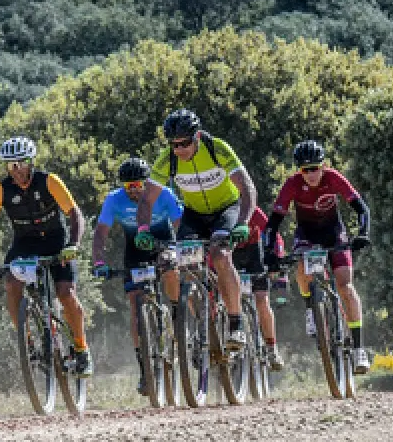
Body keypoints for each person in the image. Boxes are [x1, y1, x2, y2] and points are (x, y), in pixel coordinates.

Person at [135, 109, 259, 351]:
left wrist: (243, 222)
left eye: (185, 143)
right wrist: (142, 229)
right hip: (194, 214)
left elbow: (247, 188)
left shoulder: (217, 148)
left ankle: (236, 324)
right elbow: (147, 200)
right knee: (184, 265)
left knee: (221, 255)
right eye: (174, 144)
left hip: (226, 209)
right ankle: (203, 321)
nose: (180, 149)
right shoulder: (167, 159)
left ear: (198, 136)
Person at [0, 137, 91, 376]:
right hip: (25, 244)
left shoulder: (49, 181)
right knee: (11, 284)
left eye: (22, 163)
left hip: (56, 242)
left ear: (31, 162)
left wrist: (73, 244)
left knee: (66, 293)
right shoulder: (1, 189)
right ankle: (27, 342)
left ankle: (81, 349)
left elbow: (75, 214)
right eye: (11, 165)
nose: (17, 170)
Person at [263, 140, 372, 374]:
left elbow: (361, 208)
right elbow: (273, 223)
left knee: (345, 287)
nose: (311, 174)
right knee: (302, 267)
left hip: (334, 233)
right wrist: (269, 252)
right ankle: (311, 308)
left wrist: (363, 233)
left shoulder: (333, 178)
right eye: (306, 170)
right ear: (299, 170)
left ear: (323, 166)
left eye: (315, 168)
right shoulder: (292, 184)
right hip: (307, 235)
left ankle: (359, 349)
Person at [89, 157, 182, 394]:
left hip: (164, 243)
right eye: (128, 186)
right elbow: (101, 232)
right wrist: (99, 261)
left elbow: (180, 223)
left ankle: (176, 311)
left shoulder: (164, 194)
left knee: (170, 269)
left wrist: (181, 248)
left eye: (139, 185)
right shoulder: (114, 199)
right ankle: (145, 369)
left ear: (147, 183)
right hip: (135, 250)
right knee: (135, 304)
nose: (134, 190)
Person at [234, 206, 286, 371]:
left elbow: (274, 234)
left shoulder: (252, 210)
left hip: (254, 252)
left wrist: (277, 259)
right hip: (229, 253)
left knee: (262, 300)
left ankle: (271, 348)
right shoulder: (219, 209)